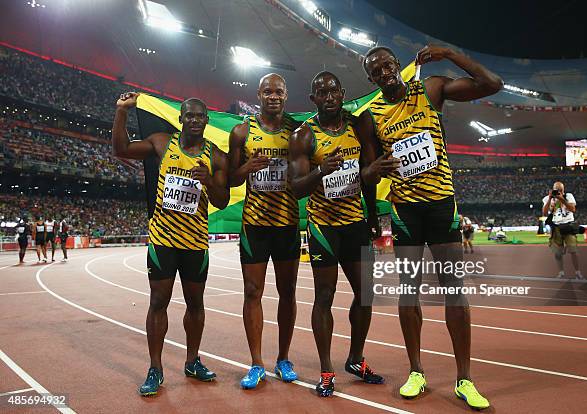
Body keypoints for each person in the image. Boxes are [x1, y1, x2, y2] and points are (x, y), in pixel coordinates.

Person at [360, 45, 502, 410]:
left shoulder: (432, 89)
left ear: (398, 66)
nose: (384, 72)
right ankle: (416, 371)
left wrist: (450, 53)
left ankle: (465, 379)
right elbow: (370, 172)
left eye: (387, 65)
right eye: (375, 70)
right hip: (405, 212)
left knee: (454, 291)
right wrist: (372, 208)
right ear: (371, 78)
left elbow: (492, 83)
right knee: (409, 292)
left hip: (441, 207)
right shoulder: (371, 116)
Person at [112, 92, 230, 396]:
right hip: (163, 239)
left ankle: (192, 361)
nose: (193, 120)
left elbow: (223, 199)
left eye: (199, 115)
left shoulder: (215, 156)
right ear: (181, 119)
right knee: (158, 302)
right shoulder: (163, 142)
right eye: (188, 115)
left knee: (196, 305)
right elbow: (121, 148)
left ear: (206, 120)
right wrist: (122, 112)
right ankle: (155, 368)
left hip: (195, 242)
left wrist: (209, 181)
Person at [289, 71, 384, 398]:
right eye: (321, 92)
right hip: (323, 227)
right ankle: (327, 369)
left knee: (367, 293)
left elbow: (368, 176)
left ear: (342, 93)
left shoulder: (359, 127)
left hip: (356, 222)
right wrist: (320, 171)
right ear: (313, 98)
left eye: (333, 91)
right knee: (325, 297)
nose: (328, 96)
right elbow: (297, 188)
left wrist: (373, 216)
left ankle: (356, 359)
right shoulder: (304, 136)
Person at [228, 73, 300, 389]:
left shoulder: (298, 131)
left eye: (279, 91)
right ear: (258, 94)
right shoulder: (242, 131)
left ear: (286, 95)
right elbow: (231, 178)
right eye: (267, 91)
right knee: (252, 292)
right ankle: (256, 363)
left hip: (287, 225)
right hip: (255, 226)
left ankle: (283, 358)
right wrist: (247, 168)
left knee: (288, 293)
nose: (273, 96)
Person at [542, 181, 583, 279]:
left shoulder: (569, 196)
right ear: (553, 189)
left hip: (569, 225)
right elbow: (544, 213)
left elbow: (573, 209)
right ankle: (561, 272)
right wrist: (550, 199)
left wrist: (562, 199)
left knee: (573, 250)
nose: (559, 192)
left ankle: (577, 272)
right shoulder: (547, 198)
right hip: (556, 227)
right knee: (557, 252)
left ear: (564, 189)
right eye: (557, 190)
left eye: (561, 190)